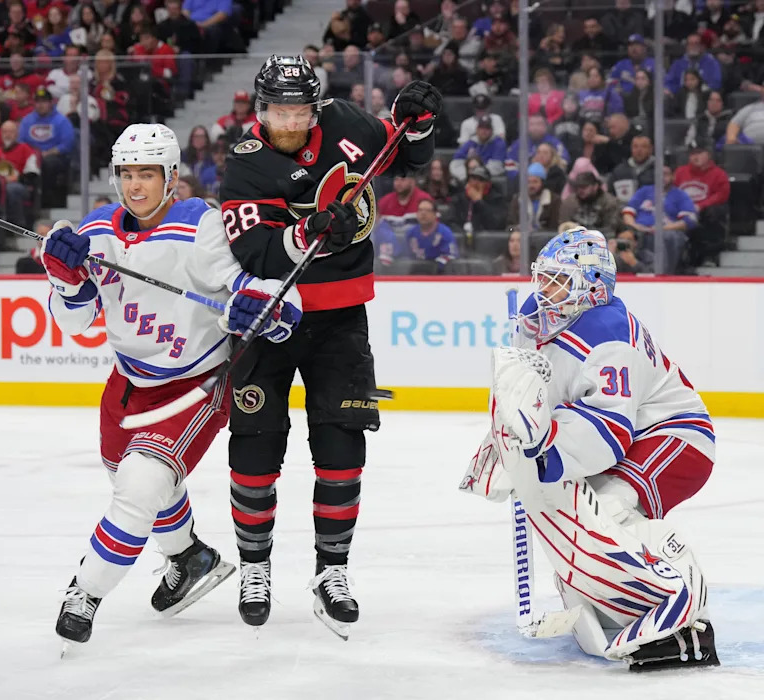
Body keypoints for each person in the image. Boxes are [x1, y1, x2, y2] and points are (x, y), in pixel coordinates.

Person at [48, 123, 302, 652]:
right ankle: (190, 558)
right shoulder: (96, 230)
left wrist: (267, 307)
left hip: (192, 389)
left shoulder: (200, 226)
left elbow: (257, 290)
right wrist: (64, 281)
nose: (135, 186)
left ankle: (84, 595)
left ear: (172, 176)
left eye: (147, 173)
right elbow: (73, 323)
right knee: (133, 479)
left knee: (138, 492)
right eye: (126, 174)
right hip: (126, 384)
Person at [218, 55, 442, 636]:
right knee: (255, 449)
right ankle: (254, 567)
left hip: (342, 320)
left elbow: (406, 158)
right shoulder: (244, 163)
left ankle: (332, 571)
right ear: (259, 110)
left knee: (342, 449)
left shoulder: (348, 124)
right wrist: (302, 234)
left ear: (314, 107)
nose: (287, 122)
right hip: (268, 323)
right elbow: (255, 254)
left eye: (298, 109)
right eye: (276, 110)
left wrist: (415, 124)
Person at [460, 228, 717, 670]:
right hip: (633, 436)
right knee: (574, 510)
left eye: (558, 280)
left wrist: (543, 448)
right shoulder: (536, 317)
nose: (544, 289)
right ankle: (610, 600)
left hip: (676, 437)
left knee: (610, 507)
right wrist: (508, 446)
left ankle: (686, 619)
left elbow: (609, 431)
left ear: (592, 288)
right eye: (543, 277)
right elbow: (522, 390)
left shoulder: (608, 333)